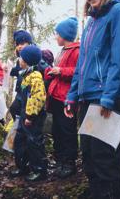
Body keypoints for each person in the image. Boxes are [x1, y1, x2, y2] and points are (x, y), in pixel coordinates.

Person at [65, 0, 120, 199]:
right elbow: (81, 63)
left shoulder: (119, 12)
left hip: (105, 96)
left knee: (104, 156)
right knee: (88, 154)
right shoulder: (91, 22)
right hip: (87, 98)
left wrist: (109, 96)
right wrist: (72, 96)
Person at [44, 17, 80, 179]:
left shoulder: (76, 50)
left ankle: (69, 163)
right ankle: (59, 161)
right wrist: (51, 72)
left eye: (57, 34)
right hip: (56, 98)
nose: (56, 37)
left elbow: (79, 71)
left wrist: (61, 71)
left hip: (67, 99)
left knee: (67, 131)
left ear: (65, 35)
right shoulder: (62, 51)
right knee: (57, 131)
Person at [11, 45, 47, 181]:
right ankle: (23, 166)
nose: (19, 59)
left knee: (34, 141)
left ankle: (39, 170)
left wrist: (30, 116)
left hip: (33, 116)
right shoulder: (25, 74)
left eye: (21, 57)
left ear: (26, 60)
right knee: (20, 139)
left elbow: (37, 98)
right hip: (23, 114)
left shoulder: (35, 76)